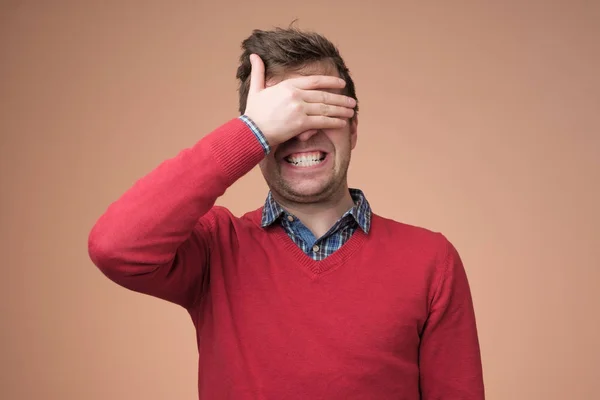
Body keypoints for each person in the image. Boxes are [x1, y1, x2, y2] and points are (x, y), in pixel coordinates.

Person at [88, 25, 485, 400]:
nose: (304, 132)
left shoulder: (431, 260)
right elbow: (114, 246)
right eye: (285, 117)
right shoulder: (216, 248)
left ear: (354, 128)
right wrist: (251, 133)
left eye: (320, 110)